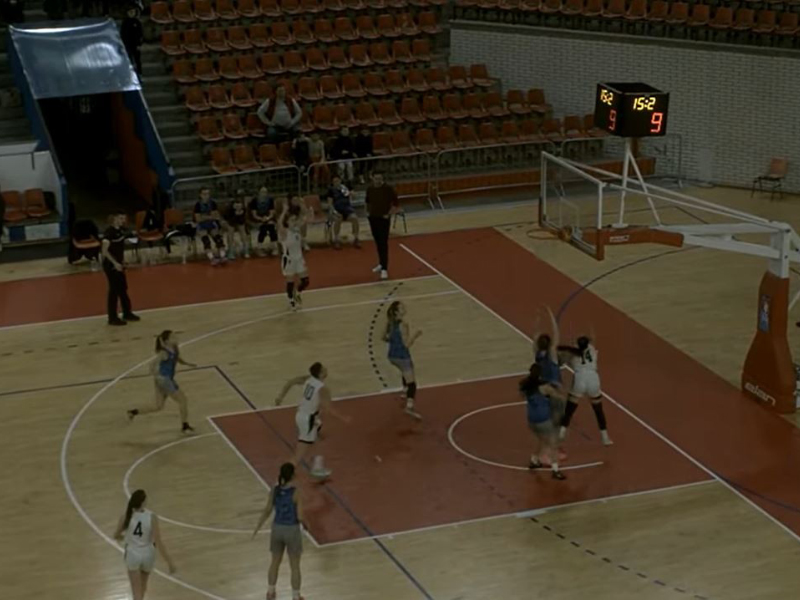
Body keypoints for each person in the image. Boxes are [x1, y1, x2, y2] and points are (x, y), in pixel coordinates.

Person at [274, 362, 350, 479]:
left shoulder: (309, 379)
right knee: (299, 455)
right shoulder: (323, 389)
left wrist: (280, 396)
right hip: (308, 419)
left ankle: (317, 467)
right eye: (324, 369)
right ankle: (284, 476)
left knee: (319, 438)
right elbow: (328, 409)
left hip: (303, 415)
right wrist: (343, 418)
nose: (326, 369)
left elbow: (291, 382)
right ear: (320, 374)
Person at [252, 463, 306, 600]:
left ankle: (270, 592)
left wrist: (258, 526)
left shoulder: (275, 490)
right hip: (291, 529)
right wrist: (308, 525)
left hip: (276, 528)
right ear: (293, 475)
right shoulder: (296, 492)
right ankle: (296, 596)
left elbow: (267, 510)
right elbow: (300, 516)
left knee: (274, 562)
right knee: (295, 566)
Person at [127, 330, 197, 434]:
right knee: (183, 400)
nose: (176, 337)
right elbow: (152, 365)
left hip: (163, 380)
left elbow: (177, 359)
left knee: (158, 406)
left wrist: (188, 363)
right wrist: (156, 375)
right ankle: (185, 426)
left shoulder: (174, 349)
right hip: (165, 380)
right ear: (167, 341)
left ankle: (133, 412)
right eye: (173, 337)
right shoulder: (164, 353)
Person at [113, 489, 176, 600]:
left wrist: (125, 538)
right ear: (143, 502)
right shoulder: (152, 517)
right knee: (142, 590)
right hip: (148, 554)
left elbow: (116, 535)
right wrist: (169, 562)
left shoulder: (126, 517)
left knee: (136, 592)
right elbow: (158, 542)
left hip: (133, 554)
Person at [558, 332, 613, 446]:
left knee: (569, 409)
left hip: (580, 378)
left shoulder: (572, 353)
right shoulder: (592, 349)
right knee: (598, 410)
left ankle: (561, 432)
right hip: (593, 379)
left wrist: (560, 349)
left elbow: (561, 361)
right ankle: (605, 437)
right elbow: (590, 341)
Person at [521, 364, 567, 480]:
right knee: (553, 444)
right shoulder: (544, 387)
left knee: (541, 440)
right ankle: (555, 470)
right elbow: (560, 398)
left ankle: (534, 460)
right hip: (543, 420)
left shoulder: (526, 386)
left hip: (532, 421)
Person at [383, 301, 423, 419]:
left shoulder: (390, 323)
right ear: (397, 311)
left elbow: (384, 337)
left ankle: (404, 390)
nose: (404, 308)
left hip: (392, 356)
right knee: (412, 383)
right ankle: (409, 406)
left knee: (405, 370)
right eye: (401, 307)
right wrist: (416, 335)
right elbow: (406, 344)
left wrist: (394, 340)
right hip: (402, 356)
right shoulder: (403, 325)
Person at [102, 211, 140, 326]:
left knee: (123, 288)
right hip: (111, 265)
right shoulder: (109, 233)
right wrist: (115, 263)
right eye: (120, 218)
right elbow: (104, 251)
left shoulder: (121, 231)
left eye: (123, 218)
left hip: (119, 263)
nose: (123, 220)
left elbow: (119, 247)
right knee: (114, 291)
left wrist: (122, 261)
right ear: (114, 219)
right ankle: (112, 318)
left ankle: (127, 313)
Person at [365, 172, 399, 281]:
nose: (378, 181)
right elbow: (367, 201)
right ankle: (381, 263)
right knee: (377, 242)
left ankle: (384, 268)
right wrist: (367, 213)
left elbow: (396, 203)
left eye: (380, 178)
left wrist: (389, 214)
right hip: (373, 218)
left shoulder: (388, 189)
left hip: (384, 219)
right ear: (373, 179)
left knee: (383, 243)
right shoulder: (370, 189)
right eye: (376, 178)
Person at [278, 199, 310, 311]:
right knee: (290, 282)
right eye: (292, 220)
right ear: (287, 222)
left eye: (295, 220)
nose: (294, 222)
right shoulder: (285, 232)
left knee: (305, 281)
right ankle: (291, 301)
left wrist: (303, 205)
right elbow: (279, 224)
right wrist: (284, 211)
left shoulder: (296, 230)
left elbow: (305, 217)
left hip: (299, 258)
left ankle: (298, 293)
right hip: (289, 259)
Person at [193, 187, 227, 265]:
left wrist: (204, 217)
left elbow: (216, 216)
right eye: (204, 194)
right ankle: (211, 258)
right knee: (206, 241)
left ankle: (223, 256)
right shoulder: (197, 205)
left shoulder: (213, 203)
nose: (206, 196)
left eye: (207, 194)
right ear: (200, 195)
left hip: (211, 224)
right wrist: (209, 217)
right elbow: (198, 219)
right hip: (201, 225)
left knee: (218, 239)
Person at [324, 175, 360, 249]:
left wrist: (350, 193)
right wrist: (335, 212)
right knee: (338, 219)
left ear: (340, 181)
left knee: (355, 218)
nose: (336, 183)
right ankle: (336, 239)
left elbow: (354, 196)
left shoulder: (346, 187)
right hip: (336, 210)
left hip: (347, 210)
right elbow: (330, 205)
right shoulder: (331, 190)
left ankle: (356, 238)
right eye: (334, 182)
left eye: (337, 181)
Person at [248, 186, 279, 256]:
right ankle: (259, 248)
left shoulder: (270, 200)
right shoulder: (254, 201)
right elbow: (254, 214)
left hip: (268, 218)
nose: (264, 193)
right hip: (257, 219)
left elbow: (272, 213)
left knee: (271, 227)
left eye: (265, 192)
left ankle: (274, 247)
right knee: (263, 228)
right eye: (262, 192)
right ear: (258, 192)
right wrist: (261, 219)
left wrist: (267, 218)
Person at [120, 5, 144, 76]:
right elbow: (122, 34)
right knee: (128, 58)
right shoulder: (125, 23)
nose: (131, 13)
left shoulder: (137, 22)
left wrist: (139, 44)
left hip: (135, 44)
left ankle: (139, 73)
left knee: (137, 59)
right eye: (130, 12)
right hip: (127, 44)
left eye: (133, 12)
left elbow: (140, 34)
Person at [226, 191, 250, 259]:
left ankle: (246, 249)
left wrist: (240, 213)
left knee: (243, 231)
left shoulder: (244, 207)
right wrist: (235, 214)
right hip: (230, 220)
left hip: (240, 220)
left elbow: (243, 219)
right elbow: (228, 218)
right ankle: (231, 250)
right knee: (230, 231)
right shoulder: (230, 207)